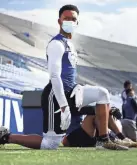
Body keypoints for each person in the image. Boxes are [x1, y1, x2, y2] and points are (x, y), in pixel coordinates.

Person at [0, 5, 121, 150]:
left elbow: (69, 74)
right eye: (66, 18)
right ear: (59, 21)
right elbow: (54, 76)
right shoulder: (56, 44)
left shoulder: (70, 44)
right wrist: (64, 106)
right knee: (49, 144)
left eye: (73, 19)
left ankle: (103, 140)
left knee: (102, 93)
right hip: (55, 96)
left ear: (77, 22)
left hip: (72, 91)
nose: (70, 21)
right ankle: (5, 136)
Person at [62, 106, 137, 149]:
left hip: (87, 134)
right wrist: (110, 110)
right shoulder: (69, 102)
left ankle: (120, 139)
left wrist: (110, 110)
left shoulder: (83, 103)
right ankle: (109, 140)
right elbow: (93, 109)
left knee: (104, 112)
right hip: (73, 137)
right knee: (96, 113)